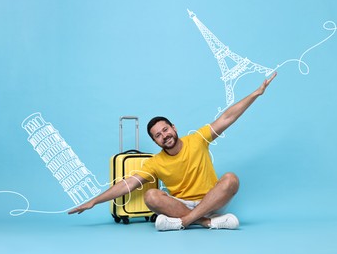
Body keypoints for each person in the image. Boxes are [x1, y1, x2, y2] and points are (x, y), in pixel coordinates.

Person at [68, 72, 277, 231]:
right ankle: (207, 223)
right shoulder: (155, 162)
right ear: (155, 141)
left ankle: (186, 222)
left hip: (210, 200)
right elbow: (127, 184)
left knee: (231, 179)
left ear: (174, 128)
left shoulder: (198, 138)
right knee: (151, 196)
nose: (164, 135)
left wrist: (256, 93)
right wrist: (94, 201)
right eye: (158, 135)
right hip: (180, 204)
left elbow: (227, 118)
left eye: (165, 129)